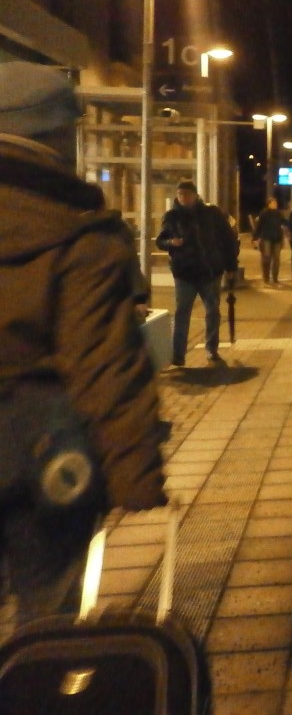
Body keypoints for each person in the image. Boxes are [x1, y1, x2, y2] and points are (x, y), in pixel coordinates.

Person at [0, 62, 167, 623]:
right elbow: (103, 366)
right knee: (47, 614)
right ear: (57, 135)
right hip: (41, 457)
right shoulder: (78, 236)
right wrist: (136, 474)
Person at [156, 180, 240, 366]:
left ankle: (212, 349)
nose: (183, 198)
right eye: (180, 194)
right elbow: (160, 241)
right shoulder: (172, 217)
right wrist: (171, 243)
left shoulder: (212, 214)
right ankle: (178, 354)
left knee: (212, 311)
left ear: (195, 195)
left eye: (186, 194)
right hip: (184, 273)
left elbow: (228, 240)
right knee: (182, 313)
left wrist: (231, 266)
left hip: (209, 271)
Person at [251, 196, 285, 286]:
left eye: (276, 203)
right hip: (266, 238)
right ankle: (266, 277)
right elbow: (259, 226)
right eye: (273, 203)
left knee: (276, 258)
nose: (275, 204)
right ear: (269, 204)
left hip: (277, 238)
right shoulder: (264, 213)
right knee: (266, 257)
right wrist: (254, 238)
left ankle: (275, 278)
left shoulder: (278, 213)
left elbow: (284, 222)